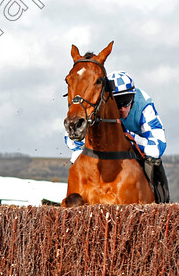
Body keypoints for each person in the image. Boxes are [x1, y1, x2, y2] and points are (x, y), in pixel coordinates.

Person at [65, 70, 169, 202]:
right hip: (104, 153)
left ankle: (162, 201)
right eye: (117, 102)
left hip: (138, 148)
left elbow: (157, 149)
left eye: (126, 101)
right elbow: (72, 142)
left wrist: (127, 134)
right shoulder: (97, 104)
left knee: (154, 161)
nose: (122, 108)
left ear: (134, 97)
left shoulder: (144, 104)